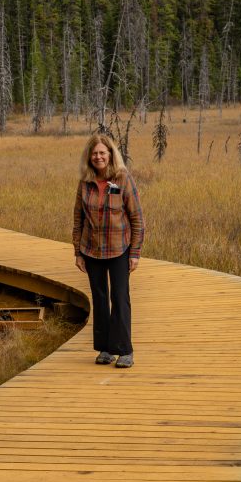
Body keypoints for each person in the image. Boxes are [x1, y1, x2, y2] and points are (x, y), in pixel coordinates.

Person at [72, 133, 145, 368]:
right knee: (100, 298)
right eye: (94, 153)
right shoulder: (85, 182)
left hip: (119, 249)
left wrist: (134, 253)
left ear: (111, 154)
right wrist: (77, 252)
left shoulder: (123, 178)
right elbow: (78, 218)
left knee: (120, 298)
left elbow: (137, 218)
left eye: (102, 152)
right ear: (89, 157)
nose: (98, 157)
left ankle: (124, 350)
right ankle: (105, 348)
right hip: (91, 250)